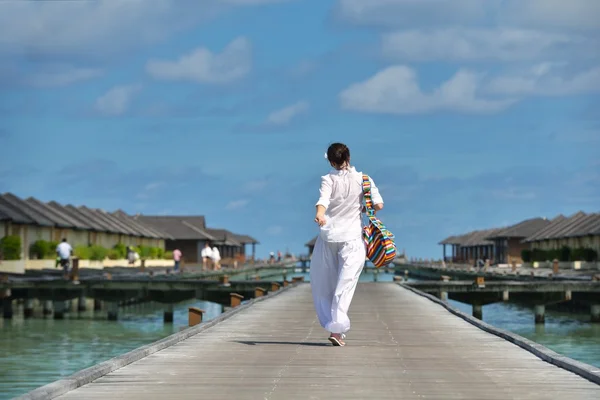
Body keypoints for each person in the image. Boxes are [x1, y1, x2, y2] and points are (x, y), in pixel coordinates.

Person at [310, 142, 384, 347]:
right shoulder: (364, 179)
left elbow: (322, 200)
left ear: (332, 162)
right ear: (349, 158)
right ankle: (337, 330)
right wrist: (360, 207)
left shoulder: (328, 179)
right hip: (352, 238)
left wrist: (320, 215)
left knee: (324, 283)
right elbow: (378, 204)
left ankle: (334, 325)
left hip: (329, 237)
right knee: (345, 284)